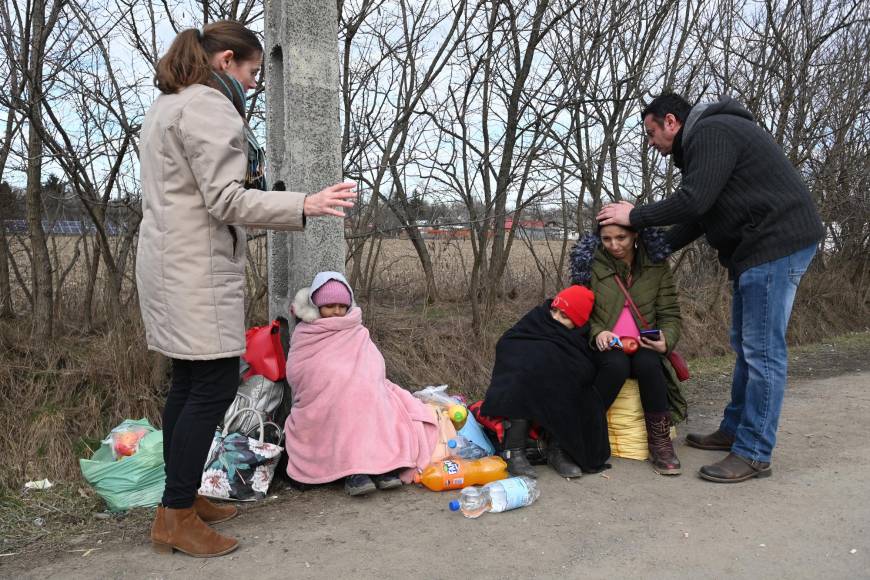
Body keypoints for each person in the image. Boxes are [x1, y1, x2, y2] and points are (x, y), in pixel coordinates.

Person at [137, 21, 357, 558]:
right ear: (226, 60)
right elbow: (226, 200)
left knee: (188, 384)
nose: (255, 83)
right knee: (210, 385)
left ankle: (180, 499)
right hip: (197, 270)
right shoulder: (210, 107)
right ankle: (176, 515)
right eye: (253, 71)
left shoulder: (168, 104)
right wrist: (303, 203)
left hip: (169, 263)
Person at [597, 92, 823, 483]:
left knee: (763, 352)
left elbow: (694, 201)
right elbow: (703, 214)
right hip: (754, 250)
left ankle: (753, 452)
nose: (651, 144)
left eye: (652, 133)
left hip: (774, 244)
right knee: (746, 345)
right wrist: (655, 246)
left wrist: (635, 215)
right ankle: (734, 431)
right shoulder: (706, 144)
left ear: (672, 122)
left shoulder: (712, 131)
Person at [283, 272, 440, 497]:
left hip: (363, 389)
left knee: (372, 400)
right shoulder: (306, 333)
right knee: (346, 404)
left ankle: (383, 467)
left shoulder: (356, 329)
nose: (336, 311)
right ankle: (355, 472)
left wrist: (364, 379)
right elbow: (300, 370)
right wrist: (335, 379)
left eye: (341, 306)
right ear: (316, 306)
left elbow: (374, 362)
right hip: (325, 398)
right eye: (329, 306)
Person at [570, 224, 687, 476]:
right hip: (606, 344)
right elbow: (577, 311)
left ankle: (660, 442)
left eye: (621, 237)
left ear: (635, 234)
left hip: (644, 343)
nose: (614, 245)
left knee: (649, 364)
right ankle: (584, 432)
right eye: (607, 239)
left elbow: (670, 313)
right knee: (616, 365)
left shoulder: (656, 266)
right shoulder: (589, 265)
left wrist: (666, 340)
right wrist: (597, 332)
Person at [481, 285, 611, 479]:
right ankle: (513, 451)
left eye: (565, 317)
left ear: (578, 322)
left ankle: (558, 449)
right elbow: (509, 342)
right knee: (520, 374)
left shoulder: (578, 340)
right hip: (525, 374)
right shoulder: (538, 318)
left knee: (576, 385)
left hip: (552, 381)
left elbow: (581, 365)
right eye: (555, 311)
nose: (555, 319)